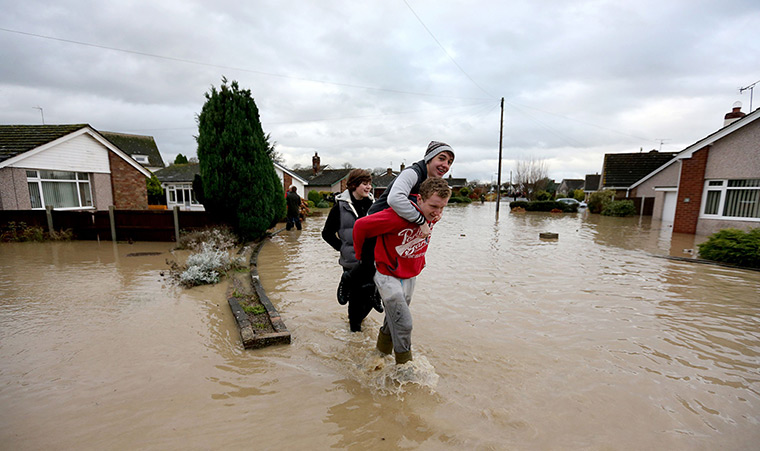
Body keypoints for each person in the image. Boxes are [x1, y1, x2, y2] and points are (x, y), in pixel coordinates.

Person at [353, 177, 452, 364]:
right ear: (420, 199)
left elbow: (426, 227)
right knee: (404, 324)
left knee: (393, 321)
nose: (438, 212)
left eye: (442, 208)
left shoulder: (432, 215)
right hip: (387, 274)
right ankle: (404, 369)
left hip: (410, 275)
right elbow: (360, 226)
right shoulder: (395, 216)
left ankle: (378, 358)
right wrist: (360, 257)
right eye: (434, 206)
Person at [350, 141, 455, 311]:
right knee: (367, 268)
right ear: (428, 158)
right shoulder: (412, 173)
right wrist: (421, 222)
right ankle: (349, 280)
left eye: (449, 162)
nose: (445, 165)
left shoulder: (431, 181)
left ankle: (375, 295)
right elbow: (395, 199)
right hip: (378, 223)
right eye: (441, 159)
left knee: (378, 272)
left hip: (394, 229)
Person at [321, 169, 377, 332]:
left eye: (370, 184)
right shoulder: (339, 207)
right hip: (351, 262)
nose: (369, 187)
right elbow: (327, 233)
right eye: (365, 184)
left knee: (371, 297)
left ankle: (357, 319)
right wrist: (343, 248)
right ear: (354, 185)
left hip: (372, 260)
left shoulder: (373, 205)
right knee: (356, 298)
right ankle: (355, 333)